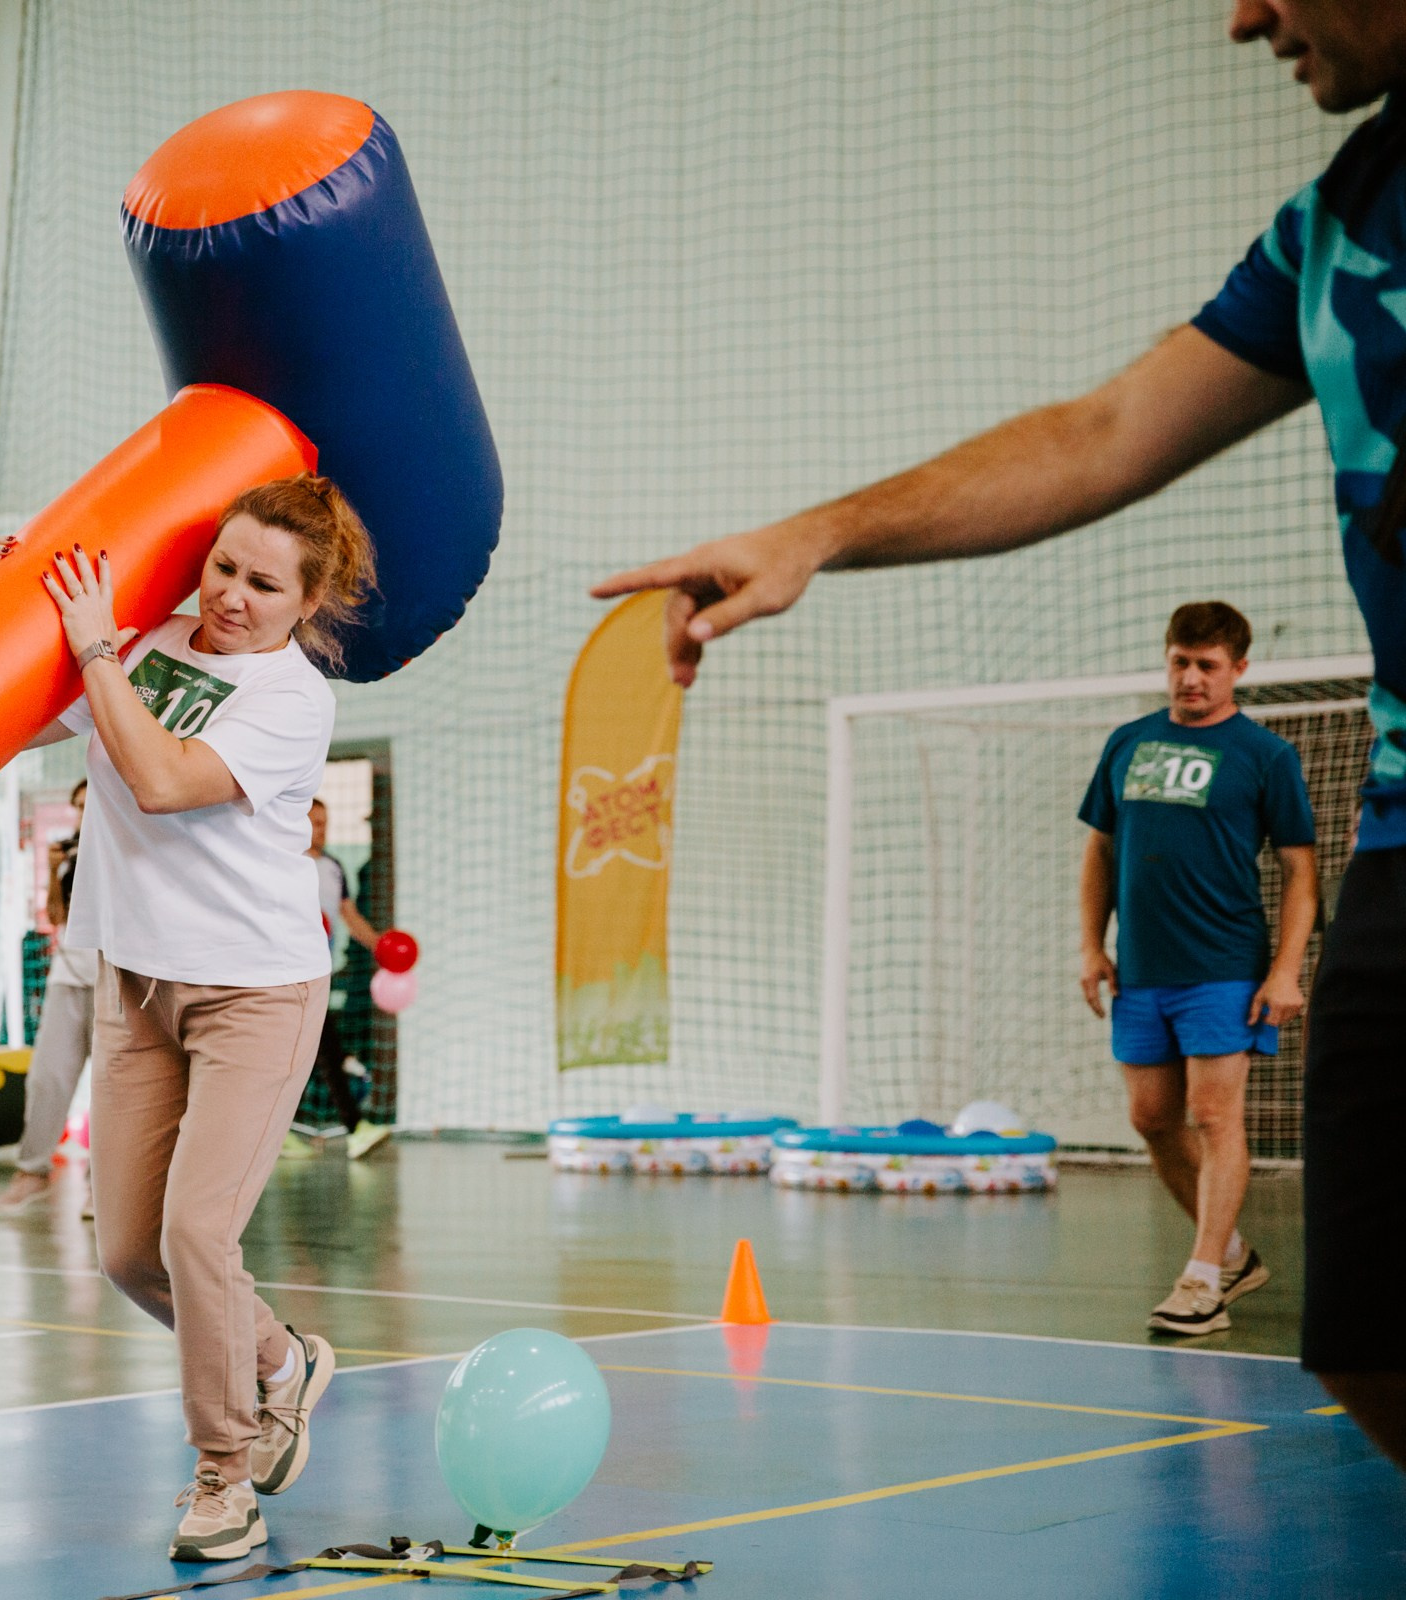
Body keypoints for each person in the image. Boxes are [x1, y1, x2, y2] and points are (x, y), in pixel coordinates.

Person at [593, 0, 1406, 1463]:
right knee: (1370, 1344)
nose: (1241, 19)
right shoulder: (1334, 223)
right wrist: (818, 535)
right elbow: (1099, 435)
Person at [0, 474, 372, 1561]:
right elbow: (31, 707)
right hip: (139, 983)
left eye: (265, 583)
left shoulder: (293, 698)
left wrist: (97, 650)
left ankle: (225, 1476)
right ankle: (283, 1361)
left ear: (306, 598)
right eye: (225, 566)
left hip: (254, 995)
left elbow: (164, 776)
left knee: (196, 1233)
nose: (233, 595)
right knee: (131, 1251)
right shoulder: (155, 638)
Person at [1078, 603, 1317, 1336]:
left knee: (1214, 1116)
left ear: (1238, 669)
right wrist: (1091, 945)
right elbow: (1100, 853)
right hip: (1143, 972)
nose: (1190, 678)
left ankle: (1204, 1278)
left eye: (1206, 665)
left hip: (1224, 965)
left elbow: (1300, 873)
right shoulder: (1128, 743)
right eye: (1180, 661)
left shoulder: (1266, 756)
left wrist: (1284, 972)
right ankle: (1237, 1254)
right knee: (1151, 1119)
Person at [0, 779, 98, 1214]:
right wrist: (55, 872)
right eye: (76, 806)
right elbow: (56, 916)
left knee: (112, 1087)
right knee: (46, 1076)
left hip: (117, 979)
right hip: (69, 973)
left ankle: (103, 1184)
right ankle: (31, 1171)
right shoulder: (69, 856)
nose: (81, 813)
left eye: (88, 805)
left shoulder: (127, 845)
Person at [298, 798, 387, 1154]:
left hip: (321, 975)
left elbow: (350, 916)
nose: (321, 829)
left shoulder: (333, 867)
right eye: (314, 823)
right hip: (291, 977)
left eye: (325, 823)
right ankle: (355, 1128)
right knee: (328, 1051)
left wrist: (382, 947)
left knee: (318, 1053)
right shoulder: (288, 864)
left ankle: (283, 1134)